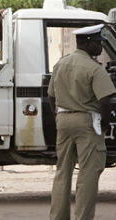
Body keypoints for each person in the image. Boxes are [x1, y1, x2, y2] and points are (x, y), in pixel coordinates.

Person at [48, 24, 115, 220]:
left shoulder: (61, 63)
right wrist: (103, 123)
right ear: (87, 43)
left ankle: (58, 217)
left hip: (63, 120)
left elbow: (51, 96)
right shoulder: (94, 68)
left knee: (62, 173)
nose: (101, 46)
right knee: (88, 174)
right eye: (98, 42)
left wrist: (57, 117)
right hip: (87, 122)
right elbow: (105, 100)